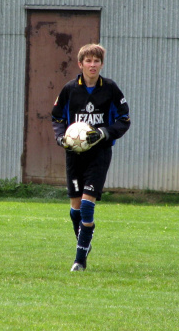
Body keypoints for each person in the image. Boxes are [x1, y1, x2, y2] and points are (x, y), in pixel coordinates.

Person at [52, 43, 130, 271]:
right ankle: (85, 243)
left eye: (97, 61)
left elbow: (124, 120)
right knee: (75, 209)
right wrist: (61, 138)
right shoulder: (69, 89)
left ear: (101, 64)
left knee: (87, 207)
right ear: (80, 64)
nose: (92, 65)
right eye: (88, 61)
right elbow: (56, 119)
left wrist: (104, 133)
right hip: (74, 155)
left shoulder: (111, 89)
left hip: (99, 154)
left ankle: (79, 260)